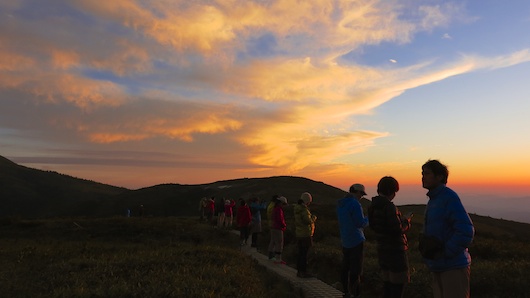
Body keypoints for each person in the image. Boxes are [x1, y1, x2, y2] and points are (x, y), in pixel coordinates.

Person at [420, 160, 475, 298]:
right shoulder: (434, 199)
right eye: (422, 173)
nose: (423, 177)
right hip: (439, 266)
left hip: (453, 267)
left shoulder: (448, 198)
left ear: (439, 177)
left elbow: (466, 231)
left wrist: (446, 252)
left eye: (427, 173)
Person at [368, 176, 411, 298]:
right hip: (395, 251)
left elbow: (374, 226)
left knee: (387, 284)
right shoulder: (389, 206)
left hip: (382, 249)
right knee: (398, 285)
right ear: (390, 191)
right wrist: (406, 222)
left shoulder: (372, 206)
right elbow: (397, 230)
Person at [337, 183, 369, 298]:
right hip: (356, 240)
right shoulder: (355, 204)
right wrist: (368, 218)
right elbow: (360, 223)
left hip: (345, 239)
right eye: (361, 194)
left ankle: (346, 292)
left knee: (345, 267)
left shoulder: (340, 204)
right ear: (356, 192)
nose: (361, 196)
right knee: (356, 270)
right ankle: (356, 294)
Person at [294, 192, 317, 278]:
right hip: (305, 234)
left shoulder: (297, 208)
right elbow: (308, 221)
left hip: (299, 234)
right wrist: (313, 218)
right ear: (307, 201)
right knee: (305, 253)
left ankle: (299, 271)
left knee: (301, 253)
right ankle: (303, 272)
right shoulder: (303, 210)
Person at [269, 196, 288, 264]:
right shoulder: (279, 210)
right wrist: (284, 225)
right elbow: (280, 220)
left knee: (274, 241)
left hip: (273, 227)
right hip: (278, 228)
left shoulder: (275, 209)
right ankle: (278, 258)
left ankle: (272, 256)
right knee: (279, 243)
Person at [267, 195, 280, 259]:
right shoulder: (274, 207)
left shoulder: (270, 205)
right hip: (274, 225)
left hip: (271, 224)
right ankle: (273, 254)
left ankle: (270, 253)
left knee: (272, 240)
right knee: (275, 241)